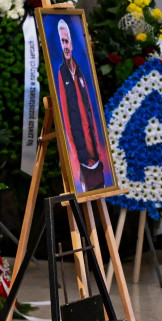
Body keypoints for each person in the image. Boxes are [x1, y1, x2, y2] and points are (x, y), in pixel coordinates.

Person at [49, 15, 107, 193]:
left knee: (99, 192)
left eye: (67, 41)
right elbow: (66, 120)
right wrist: (74, 156)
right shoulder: (61, 74)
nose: (65, 45)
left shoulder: (81, 72)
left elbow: (90, 111)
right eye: (62, 42)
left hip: (94, 152)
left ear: (72, 44)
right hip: (81, 156)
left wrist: (98, 149)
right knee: (85, 194)